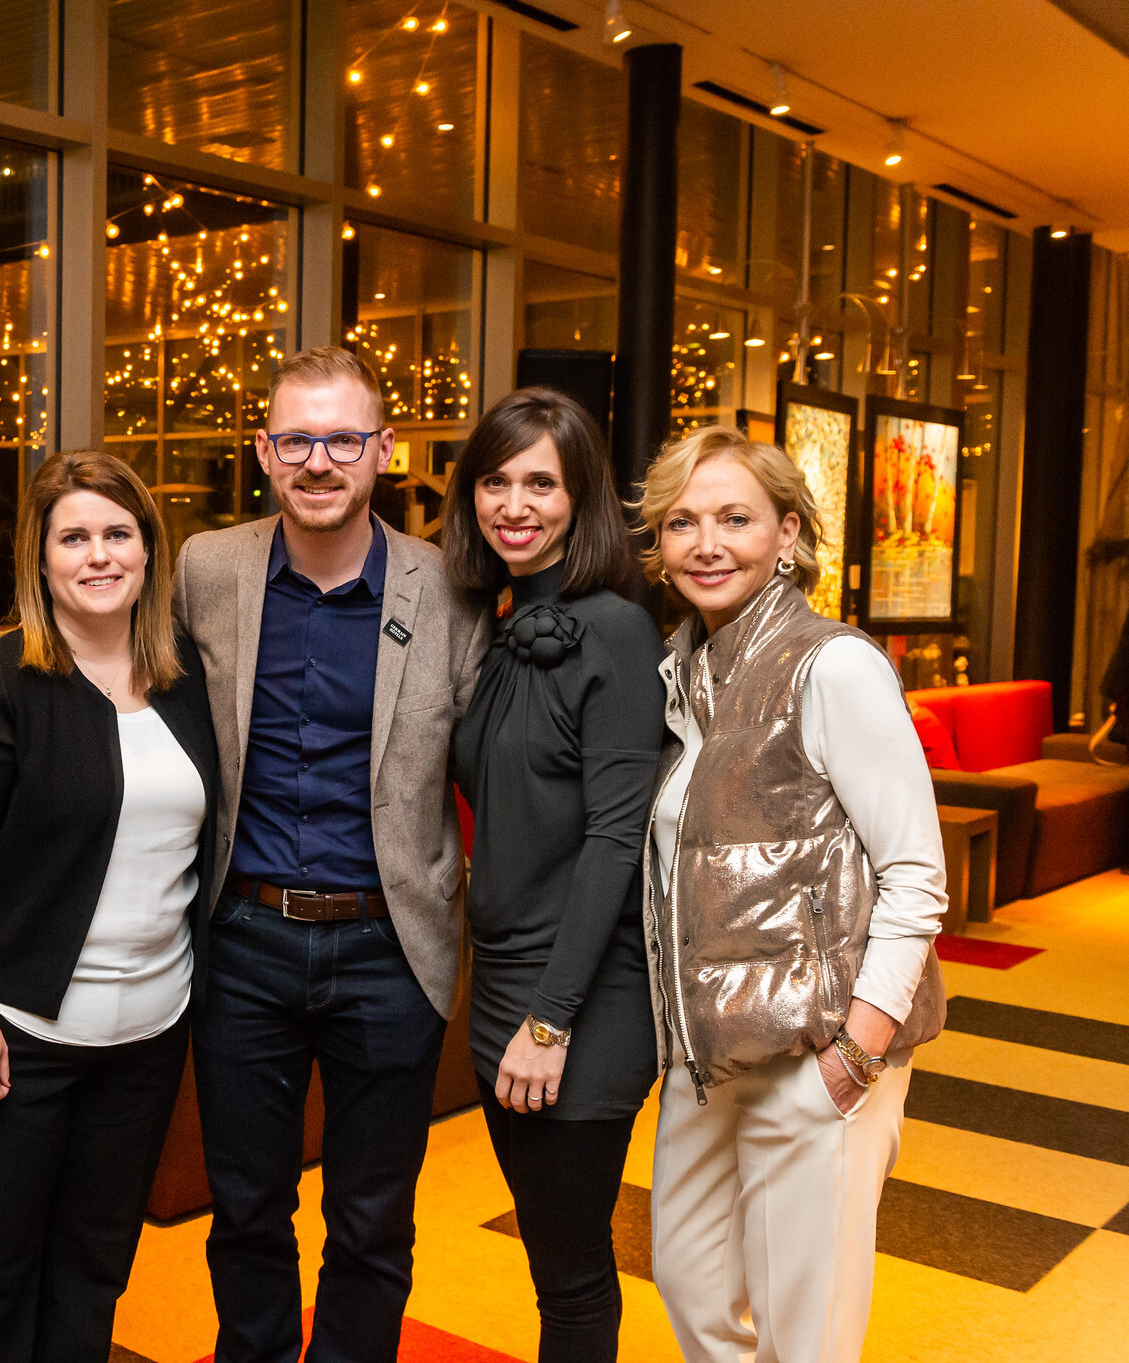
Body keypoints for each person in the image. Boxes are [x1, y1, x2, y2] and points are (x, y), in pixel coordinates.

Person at [172, 346, 489, 1363]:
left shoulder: (449, 591)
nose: (318, 461)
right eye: (296, 438)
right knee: (246, 1210)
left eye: (342, 438)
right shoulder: (205, 568)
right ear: (264, 451)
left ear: (382, 450)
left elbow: (499, 766)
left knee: (370, 1223)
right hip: (243, 940)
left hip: (388, 948)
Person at [637, 425, 947, 1363]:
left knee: (804, 1334)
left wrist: (857, 1053)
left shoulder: (833, 663)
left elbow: (916, 875)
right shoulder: (685, 670)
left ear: (787, 534)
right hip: (708, 1053)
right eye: (683, 522)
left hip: (821, 1049)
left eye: (736, 517)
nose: (707, 542)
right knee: (690, 1285)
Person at [0, 449, 221, 1363]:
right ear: (41, 557)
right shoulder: (3, 675)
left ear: (147, 550)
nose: (98, 555)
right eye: (74, 537)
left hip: (146, 1040)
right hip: (19, 1037)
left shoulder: (184, 679)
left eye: (117, 534)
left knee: (96, 1271)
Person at [440, 389, 663, 1362]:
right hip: (502, 983)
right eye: (494, 479)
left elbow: (618, 836)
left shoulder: (611, 627)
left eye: (540, 481)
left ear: (581, 500)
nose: (512, 503)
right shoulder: (493, 622)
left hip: (579, 996)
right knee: (545, 1258)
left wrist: (548, 1020)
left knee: (571, 1279)